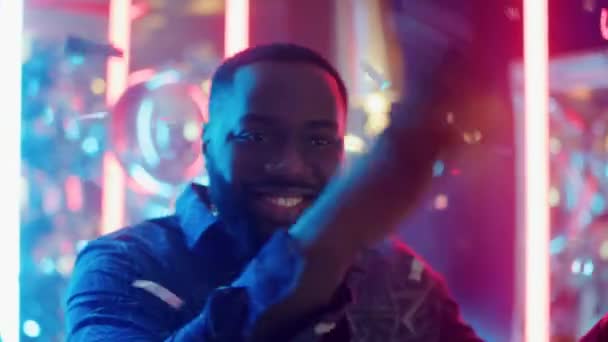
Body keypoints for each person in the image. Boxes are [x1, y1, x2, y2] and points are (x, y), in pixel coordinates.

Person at [66, 4, 482, 341]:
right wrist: (331, 243)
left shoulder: (397, 277)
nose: (290, 165)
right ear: (207, 144)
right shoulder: (124, 265)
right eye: (257, 136)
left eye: (318, 141)